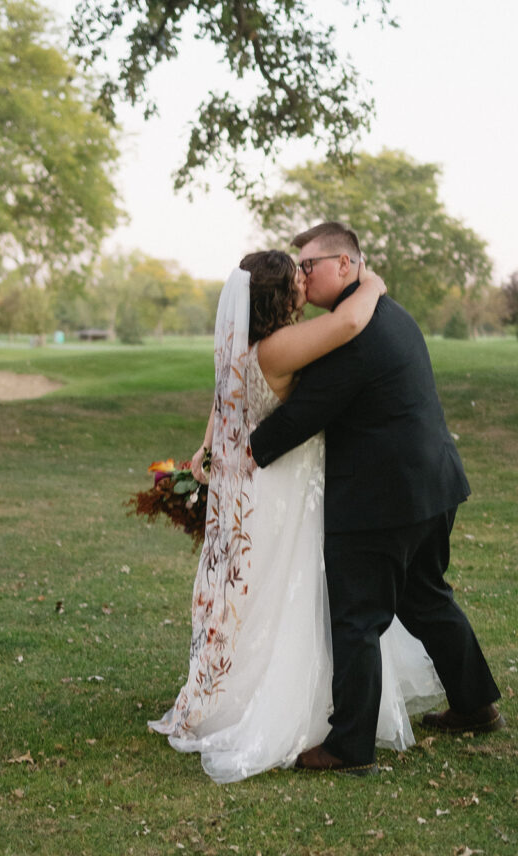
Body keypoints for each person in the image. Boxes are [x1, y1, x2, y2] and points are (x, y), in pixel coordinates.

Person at [148, 250, 445, 783]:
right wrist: (371, 281)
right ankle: (286, 706)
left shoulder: (244, 344)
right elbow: (351, 322)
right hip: (288, 484)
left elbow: (225, 400)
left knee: (258, 592)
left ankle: (231, 693)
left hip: (257, 485)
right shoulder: (282, 345)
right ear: (278, 298)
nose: (305, 284)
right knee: (294, 593)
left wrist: (207, 445)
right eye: (296, 280)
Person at [250, 223, 503, 776]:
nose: (302, 274)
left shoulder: (354, 334)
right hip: (432, 485)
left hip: (381, 500)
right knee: (427, 598)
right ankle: (475, 702)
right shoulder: (385, 312)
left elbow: (303, 414)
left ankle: (349, 748)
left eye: (309, 265)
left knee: (357, 620)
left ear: (345, 265)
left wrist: (245, 455)